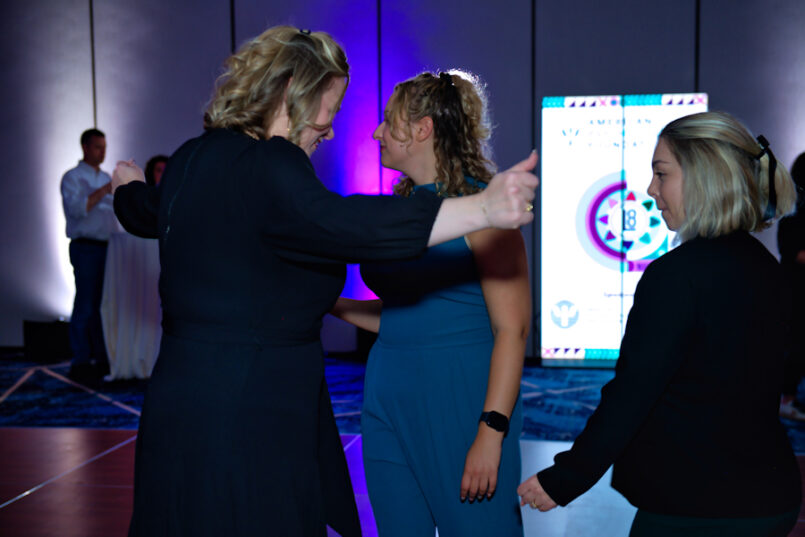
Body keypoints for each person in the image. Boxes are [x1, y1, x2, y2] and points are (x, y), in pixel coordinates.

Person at [111, 26, 537, 537]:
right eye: (330, 111)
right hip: (257, 411)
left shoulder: (193, 156)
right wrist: (482, 208)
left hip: (181, 404)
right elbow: (341, 223)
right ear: (294, 92)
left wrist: (126, 190)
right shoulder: (274, 162)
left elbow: (145, 211)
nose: (333, 131)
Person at [517, 111, 801, 537]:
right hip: (770, 499)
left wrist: (565, 478)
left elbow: (631, 396)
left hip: (695, 508)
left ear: (704, 177)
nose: (651, 189)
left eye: (661, 173)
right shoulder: (769, 268)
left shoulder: (675, 277)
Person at [331, 71, 528, 537]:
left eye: (388, 120)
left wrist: (490, 432)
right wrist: (329, 303)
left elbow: (513, 330)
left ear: (422, 129)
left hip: (462, 402)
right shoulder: (398, 213)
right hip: (386, 401)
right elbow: (405, 318)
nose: (376, 132)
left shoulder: (484, 208)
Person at [60, 128, 117, 384]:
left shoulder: (106, 177)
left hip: (109, 247)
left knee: (103, 304)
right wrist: (104, 190)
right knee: (85, 303)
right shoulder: (72, 177)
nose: (102, 152)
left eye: (104, 147)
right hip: (85, 247)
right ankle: (80, 360)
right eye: (97, 147)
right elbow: (77, 209)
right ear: (85, 147)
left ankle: (101, 357)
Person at [777, 152, 805, 420]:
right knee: (796, 348)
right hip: (796, 299)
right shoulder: (791, 225)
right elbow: (797, 255)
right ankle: (787, 399)